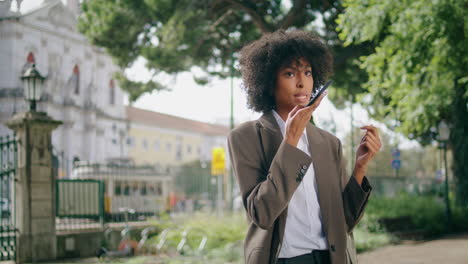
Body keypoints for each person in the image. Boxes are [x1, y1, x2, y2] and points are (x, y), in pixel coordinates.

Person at [227, 30, 382, 264]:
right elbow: (262, 213)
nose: (302, 82)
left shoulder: (329, 143)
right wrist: (290, 142)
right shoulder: (245, 137)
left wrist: (360, 168)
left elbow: (345, 221)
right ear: (269, 82)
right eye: (290, 73)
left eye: (308, 73)